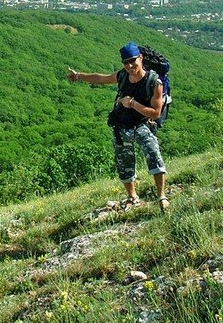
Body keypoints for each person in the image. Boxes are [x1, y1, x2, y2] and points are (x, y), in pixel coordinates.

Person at [67, 41, 169, 211]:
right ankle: (132, 197)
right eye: (125, 62)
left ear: (141, 58)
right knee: (124, 163)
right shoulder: (122, 75)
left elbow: (155, 113)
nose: (129, 65)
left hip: (142, 125)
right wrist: (78, 76)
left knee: (154, 156)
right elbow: (101, 78)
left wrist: (133, 104)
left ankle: (161, 196)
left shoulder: (153, 82)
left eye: (132, 61)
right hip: (121, 126)